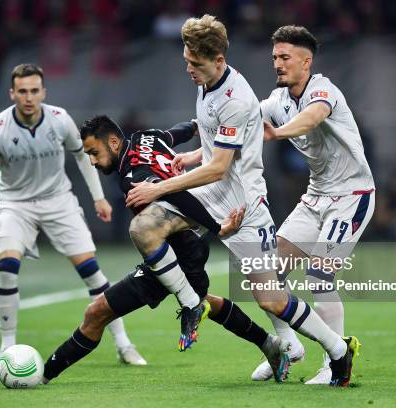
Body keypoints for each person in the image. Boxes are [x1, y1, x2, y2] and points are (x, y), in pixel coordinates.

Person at [125, 15, 359, 387]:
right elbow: (214, 136)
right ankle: (191, 304)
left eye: (195, 63)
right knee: (144, 227)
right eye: (186, 60)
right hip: (213, 195)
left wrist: (159, 187)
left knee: (271, 296)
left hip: (243, 205)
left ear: (218, 61)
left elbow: (220, 167)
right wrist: (190, 155)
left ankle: (335, 350)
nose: (188, 68)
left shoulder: (240, 97)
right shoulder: (209, 82)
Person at [41, 115, 290, 384]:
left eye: (94, 152)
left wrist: (217, 228)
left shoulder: (133, 177)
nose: (91, 160)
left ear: (113, 142)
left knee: (99, 312)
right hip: (179, 247)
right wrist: (196, 125)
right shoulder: (146, 137)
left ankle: (42, 376)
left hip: (180, 248)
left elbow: (174, 193)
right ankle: (269, 344)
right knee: (204, 302)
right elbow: (176, 133)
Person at [0, 63, 145, 366]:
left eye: (34, 91)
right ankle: (6, 347)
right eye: (22, 91)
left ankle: (124, 344)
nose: (28, 97)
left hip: (59, 201)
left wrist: (99, 198)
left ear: (43, 92)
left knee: (92, 273)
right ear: (12, 93)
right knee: (6, 266)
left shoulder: (59, 120)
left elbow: (84, 157)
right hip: (15, 204)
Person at [254, 25, 375, 384]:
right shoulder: (278, 101)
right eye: (275, 56)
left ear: (306, 61)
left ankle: (332, 364)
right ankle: (289, 347)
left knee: (319, 276)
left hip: (352, 197)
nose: (277, 63)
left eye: (285, 57)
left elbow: (313, 116)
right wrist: (194, 150)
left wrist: (278, 132)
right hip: (316, 196)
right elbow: (241, 123)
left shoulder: (323, 90)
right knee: (266, 276)